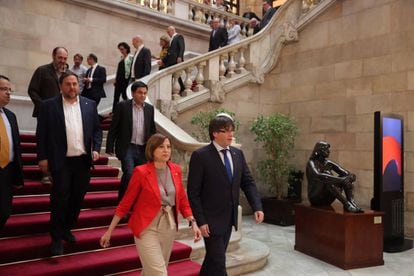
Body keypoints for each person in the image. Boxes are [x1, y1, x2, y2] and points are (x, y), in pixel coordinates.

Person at [100, 133, 202, 276]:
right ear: (152, 150)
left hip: (169, 226)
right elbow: (125, 203)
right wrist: (109, 231)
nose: (166, 150)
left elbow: (183, 201)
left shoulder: (176, 170)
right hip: (146, 227)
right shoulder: (141, 172)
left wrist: (193, 222)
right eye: (161, 147)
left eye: (168, 147)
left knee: (151, 271)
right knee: (160, 273)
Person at [187, 113, 264, 275]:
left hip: (229, 218)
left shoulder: (237, 154)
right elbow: (193, 192)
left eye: (232, 130)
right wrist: (200, 220)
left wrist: (257, 206)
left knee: (214, 260)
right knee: (219, 261)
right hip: (210, 220)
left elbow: (247, 182)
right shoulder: (200, 156)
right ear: (215, 133)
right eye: (226, 131)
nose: (231, 134)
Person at [36, 72, 102, 255]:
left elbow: (97, 130)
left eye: (75, 84)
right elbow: (41, 133)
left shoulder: (90, 105)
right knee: (60, 199)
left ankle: (67, 228)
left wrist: (96, 148)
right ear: (60, 86)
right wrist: (42, 157)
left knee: (77, 198)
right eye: (68, 84)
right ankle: (56, 238)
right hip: (61, 161)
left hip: (83, 161)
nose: (72, 87)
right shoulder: (48, 106)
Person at [106, 81, 156, 202]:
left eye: (145, 93)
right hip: (127, 147)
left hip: (143, 148)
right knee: (128, 173)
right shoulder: (122, 106)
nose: (143, 95)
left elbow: (152, 130)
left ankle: (134, 202)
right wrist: (109, 146)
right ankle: (122, 202)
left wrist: (154, 149)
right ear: (133, 93)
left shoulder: (149, 109)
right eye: (140, 92)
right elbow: (114, 127)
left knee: (140, 177)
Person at [28, 46, 70, 185]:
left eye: (64, 58)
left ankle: (57, 171)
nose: (62, 61)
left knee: (59, 143)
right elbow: (32, 90)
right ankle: (45, 173)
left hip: (64, 115)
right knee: (45, 142)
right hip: (45, 114)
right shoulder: (42, 71)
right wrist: (43, 107)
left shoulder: (68, 74)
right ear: (53, 56)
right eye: (60, 58)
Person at [306, 141, 363, 213]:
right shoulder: (311, 163)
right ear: (320, 150)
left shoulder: (328, 163)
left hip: (327, 198)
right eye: (326, 149)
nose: (329, 151)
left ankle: (351, 202)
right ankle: (346, 204)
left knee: (344, 178)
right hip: (316, 198)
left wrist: (350, 177)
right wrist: (341, 180)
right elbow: (318, 175)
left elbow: (346, 173)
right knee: (327, 175)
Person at [0, 75, 23, 231]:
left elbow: (16, 146)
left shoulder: (11, 116)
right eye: (3, 89)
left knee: (4, 211)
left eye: (10, 90)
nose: (8, 93)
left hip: (6, 172)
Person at [113, 42, 133, 112]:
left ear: (126, 48)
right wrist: (115, 79)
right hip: (119, 80)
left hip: (125, 80)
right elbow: (119, 70)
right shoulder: (122, 57)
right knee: (116, 96)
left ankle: (125, 111)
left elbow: (130, 70)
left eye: (122, 49)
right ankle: (114, 111)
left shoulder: (130, 57)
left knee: (125, 95)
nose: (121, 51)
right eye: (120, 49)